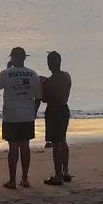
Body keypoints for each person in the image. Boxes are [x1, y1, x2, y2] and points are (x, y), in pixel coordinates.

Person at [0, 47, 42, 189]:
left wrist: (6, 69)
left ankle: (12, 180)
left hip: (11, 114)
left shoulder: (6, 73)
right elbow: (38, 96)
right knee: (25, 146)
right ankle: (25, 178)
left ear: (12, 58)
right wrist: (34, 111)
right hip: (27, 113)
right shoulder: (33, 74)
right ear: (24, 58)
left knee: (13, 147)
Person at [40, 51, 73, 186]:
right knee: (63, 140)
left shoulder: (49, 81)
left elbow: (44, 99)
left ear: (50, 64)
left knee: (56, 144)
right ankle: (65, 171)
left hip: (54, 111)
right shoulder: (66, 76)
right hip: (64, 108)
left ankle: (58, 175)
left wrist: (43, 83)